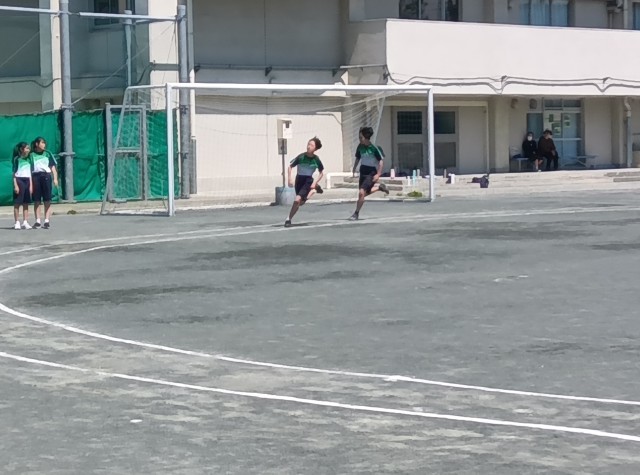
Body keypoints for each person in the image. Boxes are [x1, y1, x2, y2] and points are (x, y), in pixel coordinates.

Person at [348, 127, 389, 221]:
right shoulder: (360, 146)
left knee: (361, 192)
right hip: (363, 171)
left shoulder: (374, 148)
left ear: (366, 137)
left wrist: (378, 174)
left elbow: (381, 161)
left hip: (371, 172)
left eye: (361, 137)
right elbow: (358, 158)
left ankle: (356, 213)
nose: (359, 139)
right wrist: (354, 168)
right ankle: (379, 188)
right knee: (362, 194)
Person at [284, 137, 324, 228]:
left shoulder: (316, 159)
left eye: (312, 145)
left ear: (315, 148)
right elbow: (290, 166)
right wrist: (289, 179)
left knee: (297, 200)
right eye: (308, 144)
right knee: (300, 202)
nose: (309, 146)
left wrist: (315, 182)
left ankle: (288, 219)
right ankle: (313, 191)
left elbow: (321, 173)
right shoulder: (301, 156)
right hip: (299, 180)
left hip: (308, 181)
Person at [30, 137, 58, 229]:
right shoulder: (31, 155)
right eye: (42, 143)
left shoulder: (48, 153)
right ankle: (37, 221)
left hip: (46, 176)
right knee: (37, 200)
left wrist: (55, 179)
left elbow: (53, 167)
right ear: (37, 144)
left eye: (44, 143)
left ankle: (46, 221)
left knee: (47, 199)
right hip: (35, 177)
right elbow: (29, 168)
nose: (44, 145)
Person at [12, 142, 33, 230]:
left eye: (29, 148)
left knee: (26, 203)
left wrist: (31, 185)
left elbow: (30, 173)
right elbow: (14, 174)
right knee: (17, 203)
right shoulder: (17, 159)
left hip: (27, 181)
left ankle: (25, 222)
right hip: (19, 180)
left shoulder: (29, 159)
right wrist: (16, 185)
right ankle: (17, 222)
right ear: (22, 149)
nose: (28, 150)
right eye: (27, 148)